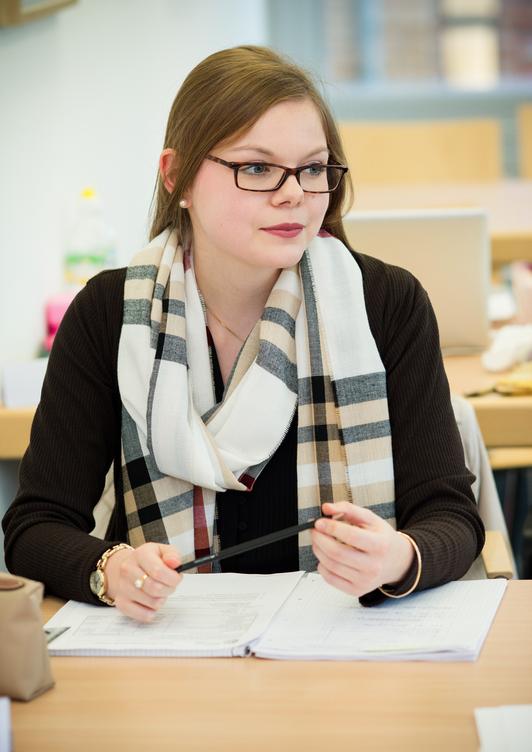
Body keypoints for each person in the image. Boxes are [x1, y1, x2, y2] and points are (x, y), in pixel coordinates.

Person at [3, 45, 484, 622]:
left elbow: (452, 517)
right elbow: (35, 528)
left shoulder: (384, 303)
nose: (294, 194)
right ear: (176, 175)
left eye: (312, 167)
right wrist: (110, 569)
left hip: (346, 644)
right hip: (172, 654)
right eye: (256, 168)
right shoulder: (110, 313)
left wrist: (399, 558)